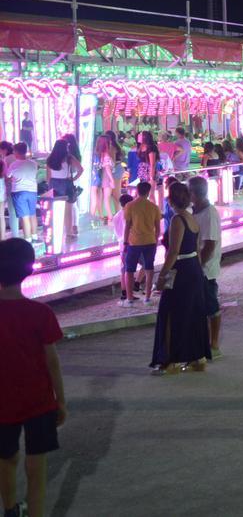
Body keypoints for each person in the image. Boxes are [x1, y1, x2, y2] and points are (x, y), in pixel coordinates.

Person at [0, 238, 66, 517]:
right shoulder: (41, 313)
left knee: (6, 458)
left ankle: (10, 508)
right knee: (36, 465)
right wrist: (60, 401)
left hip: (2, 401)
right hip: (39, 400)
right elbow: (52, 362)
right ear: (29, 270)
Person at [149, 183, 211, 375]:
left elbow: (173, 252)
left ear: (170, 200)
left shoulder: (177, 220)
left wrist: (162, 275)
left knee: (170, 314)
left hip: (181, 271)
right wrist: (199, 272)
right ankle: (197, 357)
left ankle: (172, 361)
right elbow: (197, 249)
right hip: (193, 269)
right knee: (193, 313)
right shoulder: (192, 219)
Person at [186, 177, 223, 361]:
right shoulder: (195, 212)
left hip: (205, 269)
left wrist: (198, 266)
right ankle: (203, 342)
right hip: (198, 266)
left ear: (193, 193)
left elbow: (209, 244)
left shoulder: (209, 213)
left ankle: (214, 344)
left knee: (211, 306)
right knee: (199, 307)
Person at [119, 181, 161, 307]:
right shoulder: (154, 207)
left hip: (133, 242)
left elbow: (127, 226)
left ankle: (130, 299)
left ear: (137, 190)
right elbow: (158, 228)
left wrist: (125, 242)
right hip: (150, 241)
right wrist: (155, 239)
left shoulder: (130, 206)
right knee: (149, 269)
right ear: (148, 192)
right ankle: (147, 298)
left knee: (129, 270)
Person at [46, 139, 82, 239]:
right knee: (68, 210)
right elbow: (81, 169)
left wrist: (49, 187)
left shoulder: (50, 158)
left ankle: (56, 231)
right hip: (66, 183)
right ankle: (69, 232)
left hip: (53, 183)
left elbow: (48, 176)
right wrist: (73, 178)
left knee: (55, 209)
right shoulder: (69, 158)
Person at [6, 143, 39, 240]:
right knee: (32, 214)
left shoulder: (13, 165)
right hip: (32, 191)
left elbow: (8, 176)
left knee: (24, 217)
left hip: (19, 192)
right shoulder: (33, 164)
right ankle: (35, 236)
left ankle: (27, 239)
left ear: (16, 152)